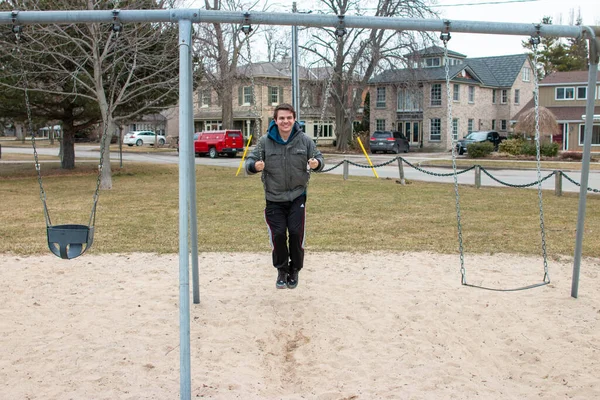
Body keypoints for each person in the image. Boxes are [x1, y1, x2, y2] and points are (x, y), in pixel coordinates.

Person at [245, 103, 324, 289]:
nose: (285, 121)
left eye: (289, 117)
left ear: (294, 119)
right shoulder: (265, 141)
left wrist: (316, 164)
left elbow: (320, 159)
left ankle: (294, 269)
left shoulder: (304, 140)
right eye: (281, 118)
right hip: (274, 198)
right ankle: (282, 269)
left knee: (296, 233)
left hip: (297, 196)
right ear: (275, 121)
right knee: (279, 234)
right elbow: (250, 161)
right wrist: (254, 167)